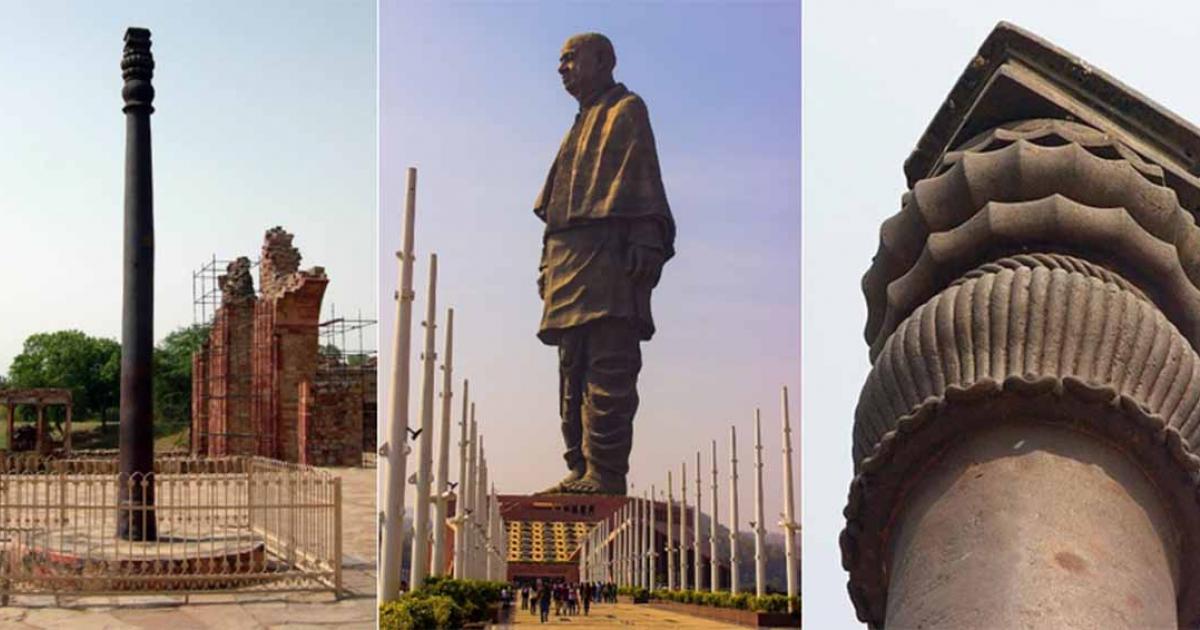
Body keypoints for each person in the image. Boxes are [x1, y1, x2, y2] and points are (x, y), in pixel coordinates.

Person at [534, 32, 676, 496]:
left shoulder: (626, 110)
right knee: (570, 368)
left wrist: (645, 237)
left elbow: (643, 181)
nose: (562, 68)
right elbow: (554, 208)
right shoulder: (578, 124)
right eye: (560, 61)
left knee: (609, 364)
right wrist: (545, 263)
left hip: (610, 255)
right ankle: (579, 465)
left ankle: (606, 473)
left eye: (570, 59)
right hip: (567, 259)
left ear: (602, 61)